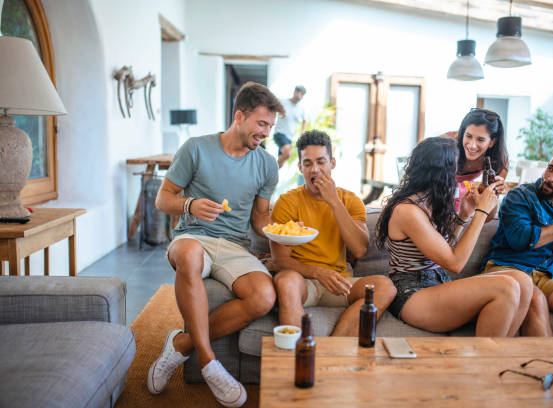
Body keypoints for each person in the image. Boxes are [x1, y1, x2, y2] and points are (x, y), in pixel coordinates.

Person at [147, 82, 285, 407]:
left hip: (236, 246)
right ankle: (210, 363)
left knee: (264, 296)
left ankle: (182, 344)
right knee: (188, 253)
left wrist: (286, 234)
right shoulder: (195, 148)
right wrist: (190, 205)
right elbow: (162, 199)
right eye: (261, 124)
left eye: (270, 127)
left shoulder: (266, 164)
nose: (266, 133)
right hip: (193, 237)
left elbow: (260, 219)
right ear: (239, 116)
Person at [375, 137, 533, 337]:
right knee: (506, 286)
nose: (461, 173)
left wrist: (465, 214)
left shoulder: (431, 200)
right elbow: (455, 263)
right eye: (457, 168)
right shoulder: (408, 211)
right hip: (411, 293)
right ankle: (485, 359)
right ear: (442, 171)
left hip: (436, 283)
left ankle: (495, 355)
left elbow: (443, 249)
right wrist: (481, 212)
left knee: (522, 280)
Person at [271, 130, 396, 334]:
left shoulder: (350, 200)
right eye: (308, 163)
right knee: (285, 281)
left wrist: (334, 201)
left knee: (386, 287)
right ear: (300, 167)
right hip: (302, 282)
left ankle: (332, 350)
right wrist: (318, 273)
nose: (315, 170)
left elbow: (359, 250)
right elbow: (280, 261)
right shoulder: (287, 202)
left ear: (332, 163)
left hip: (339, 283)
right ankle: (298, 355)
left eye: (321, 162)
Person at [482, 145, 553, 337]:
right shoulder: (519, 196)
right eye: (550, 168)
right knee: (536, 299)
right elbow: (520, 240)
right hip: (508, 269)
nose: (550, 177)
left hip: (547, 274)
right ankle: (547, 363)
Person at [454, 108, 508, 214]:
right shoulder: (446, 146)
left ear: (492, 142)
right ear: (462, 134)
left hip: (460, 197)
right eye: (468, 136)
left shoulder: (498, 161)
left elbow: (488, 214)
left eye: (480, 140)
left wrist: (495, 193)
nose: (472, 145)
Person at [274, 85, 307, 168]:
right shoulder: (282, 101)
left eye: (302, 94)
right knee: (288, 153)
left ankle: (273, 175)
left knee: (281, 161)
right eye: (298, 92)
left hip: (289, 138)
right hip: (279, 133)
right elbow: (271, 108)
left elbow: (305, 121)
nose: (299, 95)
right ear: (295, 92)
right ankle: (270, 171)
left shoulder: (301, 108)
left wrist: (302, 133)